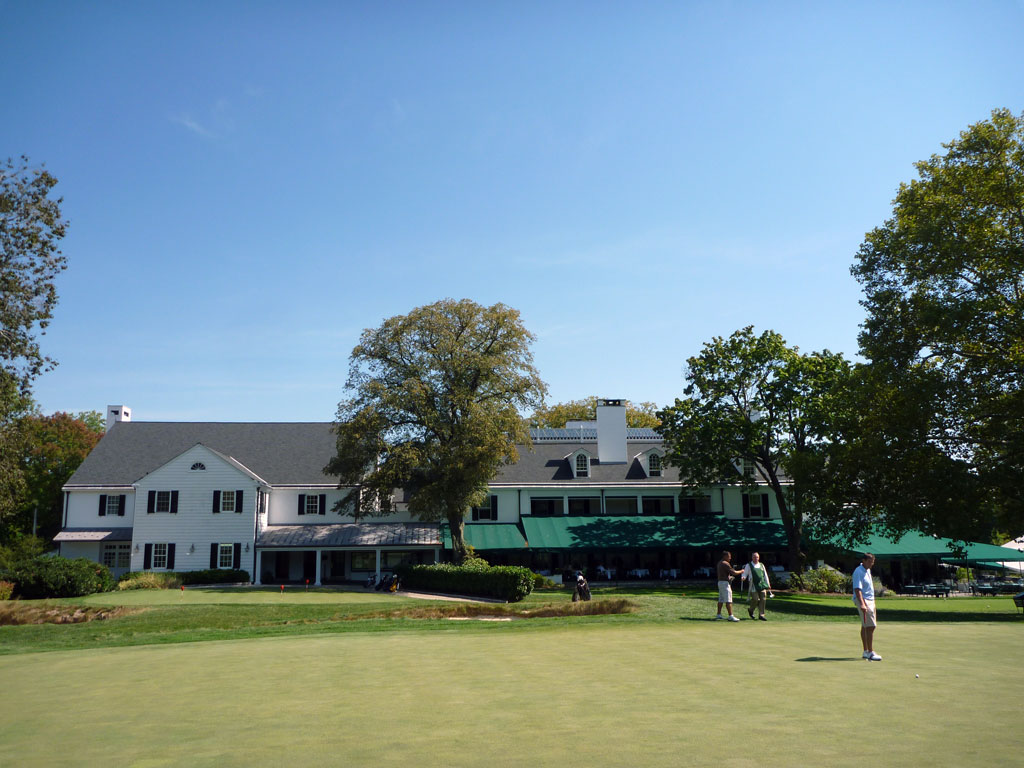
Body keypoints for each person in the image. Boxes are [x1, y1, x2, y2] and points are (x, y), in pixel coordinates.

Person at [853, 553, 881, 661]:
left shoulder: (867, 570)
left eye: (872, 562)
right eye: (869, 561)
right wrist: (862, 604)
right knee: (871, 626)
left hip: (870, 600)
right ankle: (870, 652)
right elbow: (857, 589)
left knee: (865, 626)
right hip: (864, 600)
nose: (871, 564)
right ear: (863, 560)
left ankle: (865, 651)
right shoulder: (858, 571)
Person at [741, 552, 773, 621]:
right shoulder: (748, 565)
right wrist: (743, 577)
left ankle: (761, 615)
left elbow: (765, 575)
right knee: (755, 599)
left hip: (762, 584)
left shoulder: (761, 565)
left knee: (763, 599)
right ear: (752, 557)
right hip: (753, 585)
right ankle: (751, 610)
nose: (756, 558)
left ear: (759, 558)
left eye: (757, 557)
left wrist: (768, 584)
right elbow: (745, 573)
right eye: (754, 557)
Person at [715, 550, 744, 621]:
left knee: (721, 599)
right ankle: (730, 616)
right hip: (725, 583)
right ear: (725, 556)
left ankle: (718, 614)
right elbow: (734, 572)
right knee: (728, 599)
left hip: (720, 582)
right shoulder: (725, 563)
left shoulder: (719, 563)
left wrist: (729, 577)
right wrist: (742, 571)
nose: (730, 558)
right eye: (729, 556)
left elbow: (724, 573)